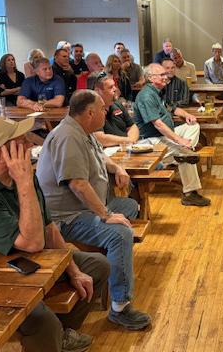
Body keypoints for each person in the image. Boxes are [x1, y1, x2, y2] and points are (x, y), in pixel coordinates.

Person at [0, 116, 110, 352]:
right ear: (0, 155)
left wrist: (74, 270)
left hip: (21, 259)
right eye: (21, 142)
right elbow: (33, 243)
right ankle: (53, 335)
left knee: (97, 266)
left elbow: (48, 227)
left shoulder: (23, 174)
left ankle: (61, 336)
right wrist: (24, 183)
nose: (30, 145)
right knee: (43, 323)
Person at [36, 90, 152, 330]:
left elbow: (101, 157)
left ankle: (114, 266)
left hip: (85, 208)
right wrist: (106, 215)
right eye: (102, 109)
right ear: (89, 113)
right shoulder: (68, 137)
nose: (105, 112)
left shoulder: (83, 132)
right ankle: (120, 307)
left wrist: (117, 168)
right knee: (120, 233)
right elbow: (78, 184)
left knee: (129, 206)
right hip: (67, 218)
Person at [134, 63, 211, 207]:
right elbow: (158, 124)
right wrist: (179, 140)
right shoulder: (146, 96)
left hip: (164, 136)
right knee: (185, 153)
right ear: (150, 78)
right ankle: (190, 193)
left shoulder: (158, 92)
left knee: (193, 126)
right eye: (162, 75)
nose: (166, 77)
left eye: (165, 74)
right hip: (151, 141)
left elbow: (173, 109)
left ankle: (184, 151)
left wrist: (187, 115)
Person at [94, 75, 140, 147]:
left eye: (114, 86)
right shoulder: (94, 110)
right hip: (109, 150)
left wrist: (131, 140)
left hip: (126, 146)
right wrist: (127, 140)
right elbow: (100, 138)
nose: (115, 89)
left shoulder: (117, 104)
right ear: (98, 91)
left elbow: (132, 126)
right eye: (110, 87)